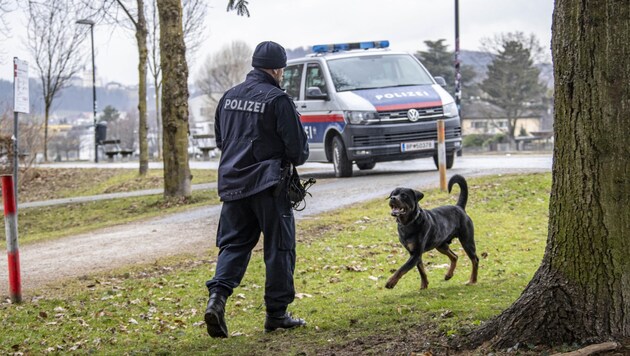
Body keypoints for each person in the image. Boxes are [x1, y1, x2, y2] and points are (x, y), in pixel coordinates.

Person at [204, 41, 310, 338]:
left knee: (234, 245)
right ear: (277, 69)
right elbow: (298, 151)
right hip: (268, 186)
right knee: (279, 248)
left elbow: (221, 141)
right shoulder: (278, 100)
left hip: (233, 184)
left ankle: (217, 299)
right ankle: (277, 314)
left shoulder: (228, 97)